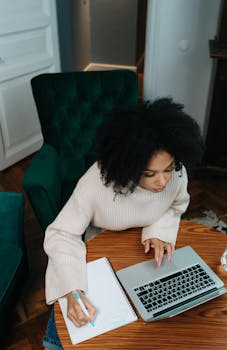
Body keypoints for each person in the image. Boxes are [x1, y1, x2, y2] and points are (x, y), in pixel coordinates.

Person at [42, 97, 203, 349]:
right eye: (149, 174)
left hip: (148, 253)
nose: (162, 182)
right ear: (128, 166)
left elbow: (177, 204)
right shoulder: (94, 184)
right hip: (102, 248)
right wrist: (72, 289)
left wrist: (158, 229)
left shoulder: (177, 174)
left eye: (168, 169)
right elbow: (61, 233)